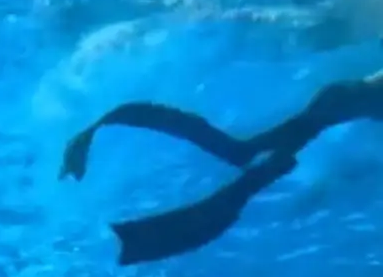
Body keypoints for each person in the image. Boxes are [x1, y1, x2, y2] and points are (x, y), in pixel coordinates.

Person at [59, 69, 383, 265]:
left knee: (245, 156)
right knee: (248, 158)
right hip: (341, 102)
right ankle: (103, 127)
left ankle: (101, 127)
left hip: (341, 102)